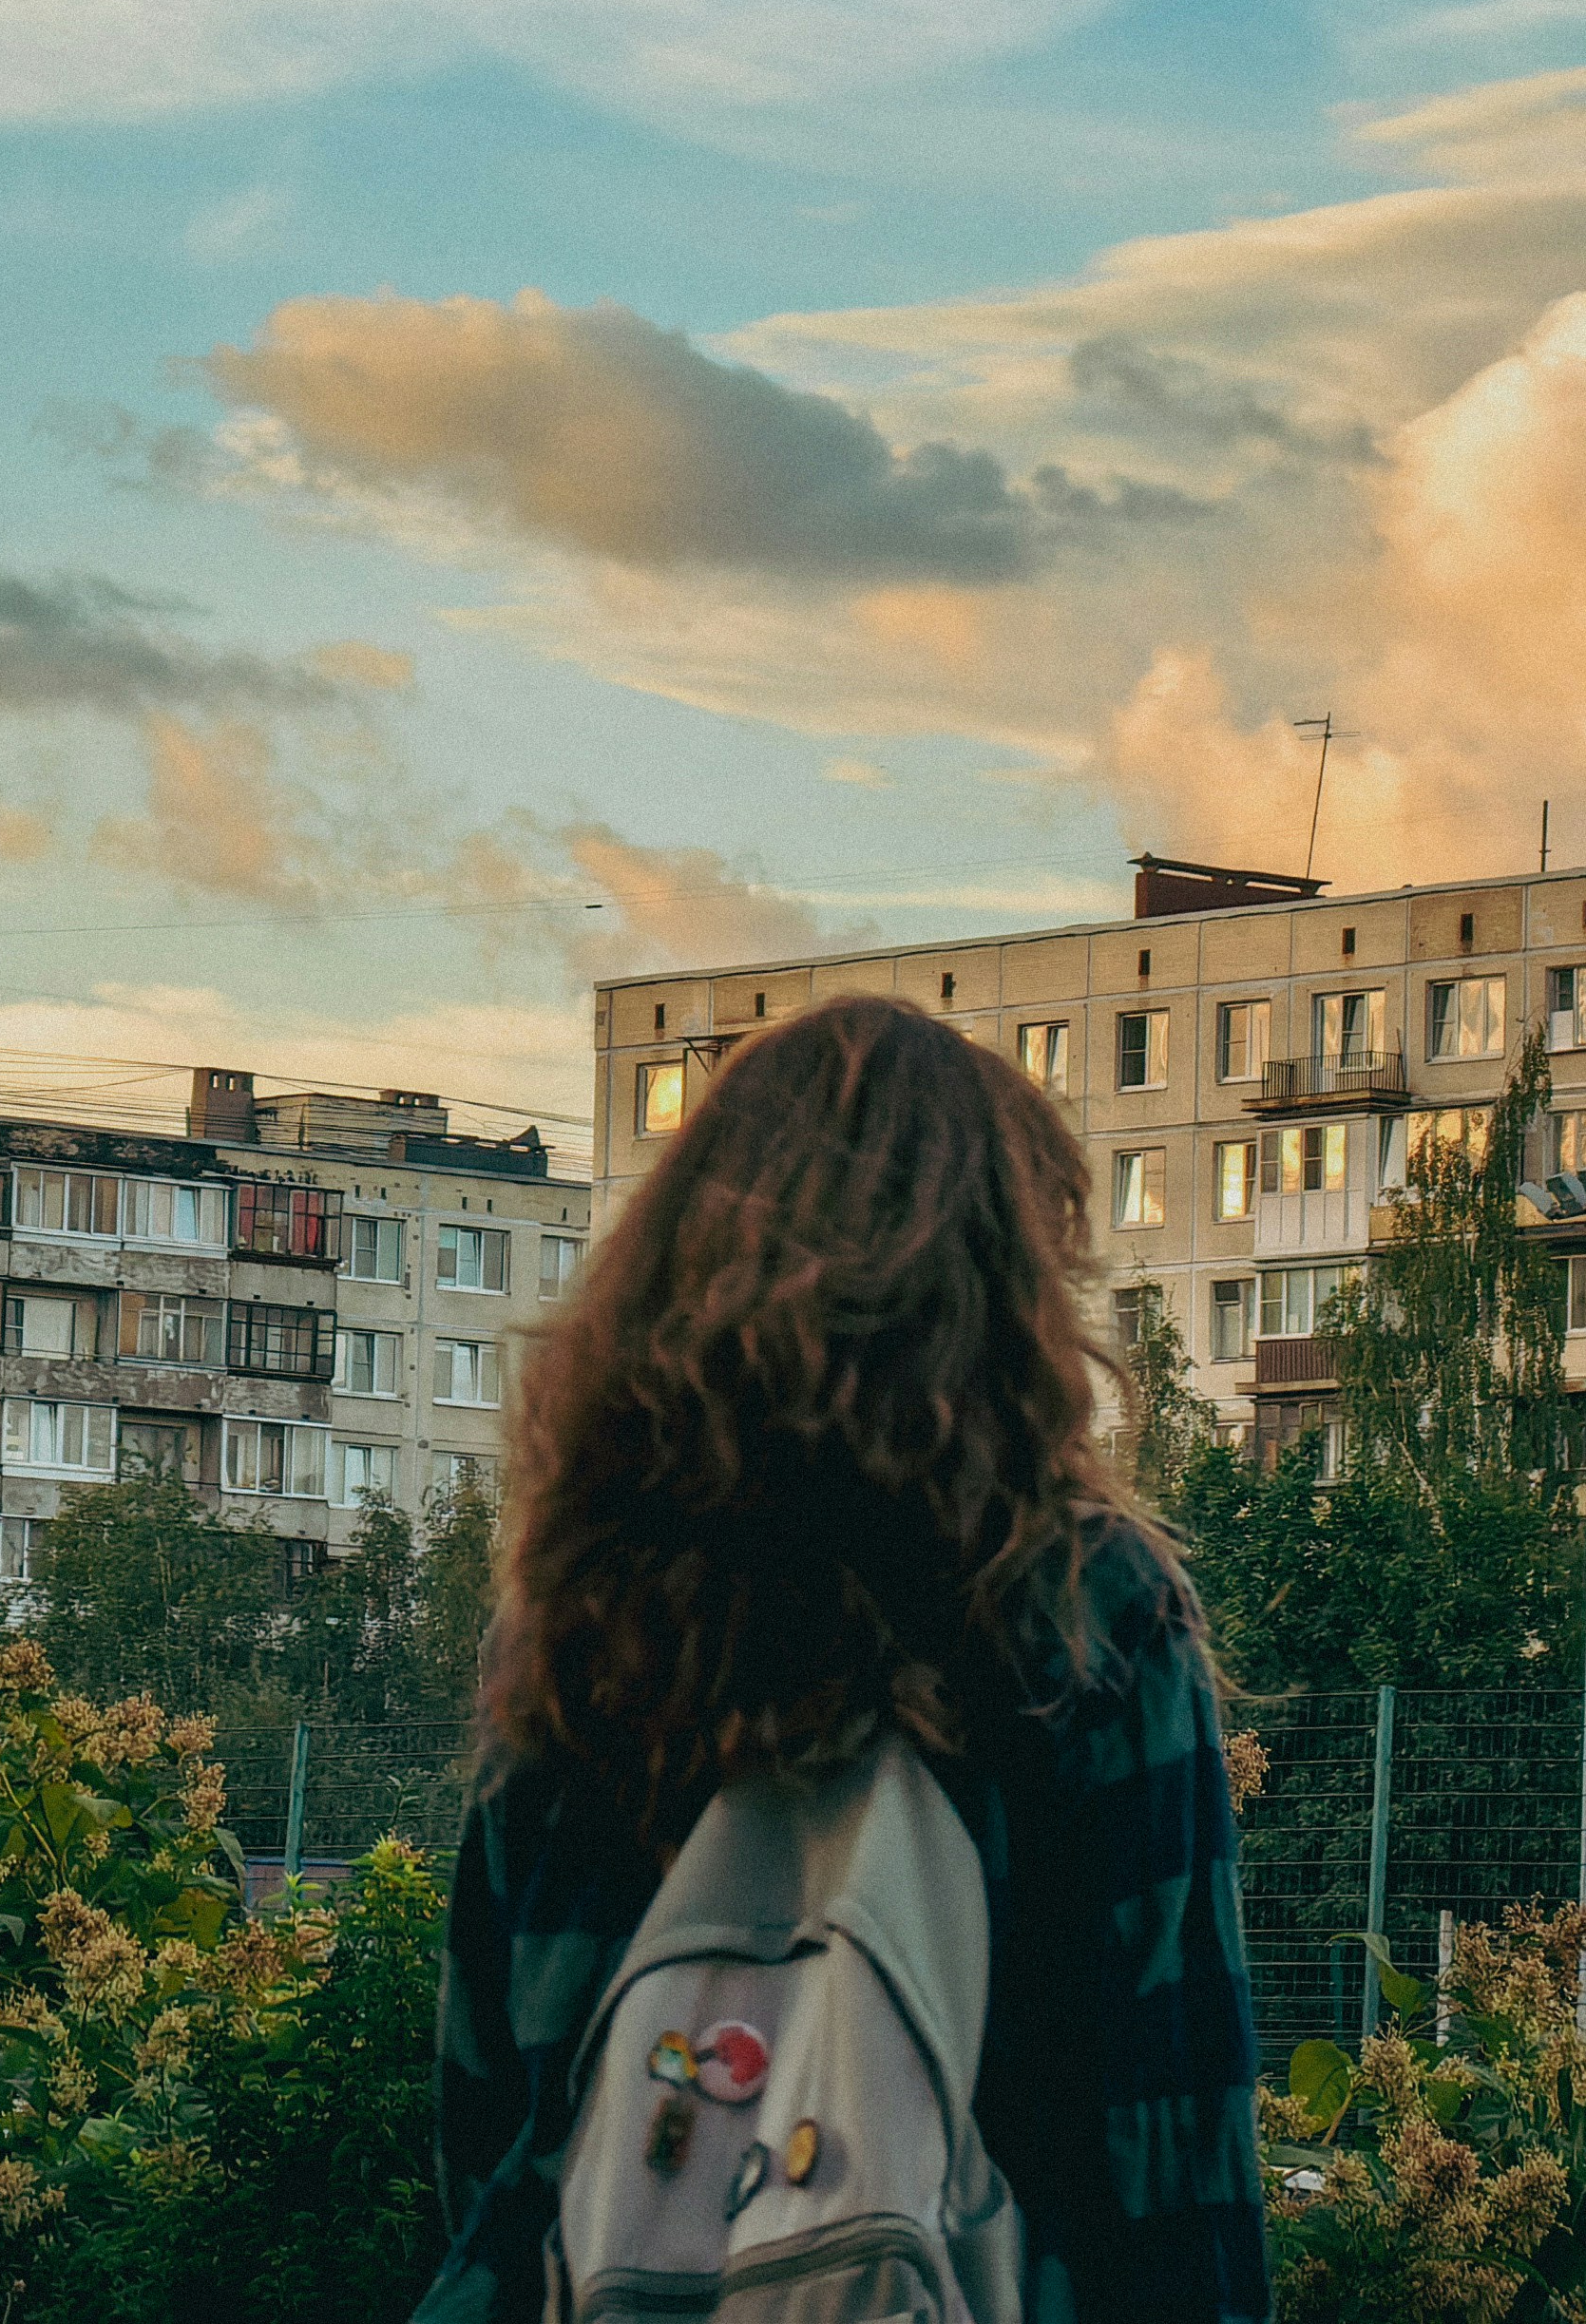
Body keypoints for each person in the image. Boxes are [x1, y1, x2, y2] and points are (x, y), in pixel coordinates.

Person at [415, 995, 1269, 2324]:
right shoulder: (1081, 1606)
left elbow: (493, 2116)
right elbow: (1172, 2146)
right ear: (1002, 1287)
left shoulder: (579, 1611)